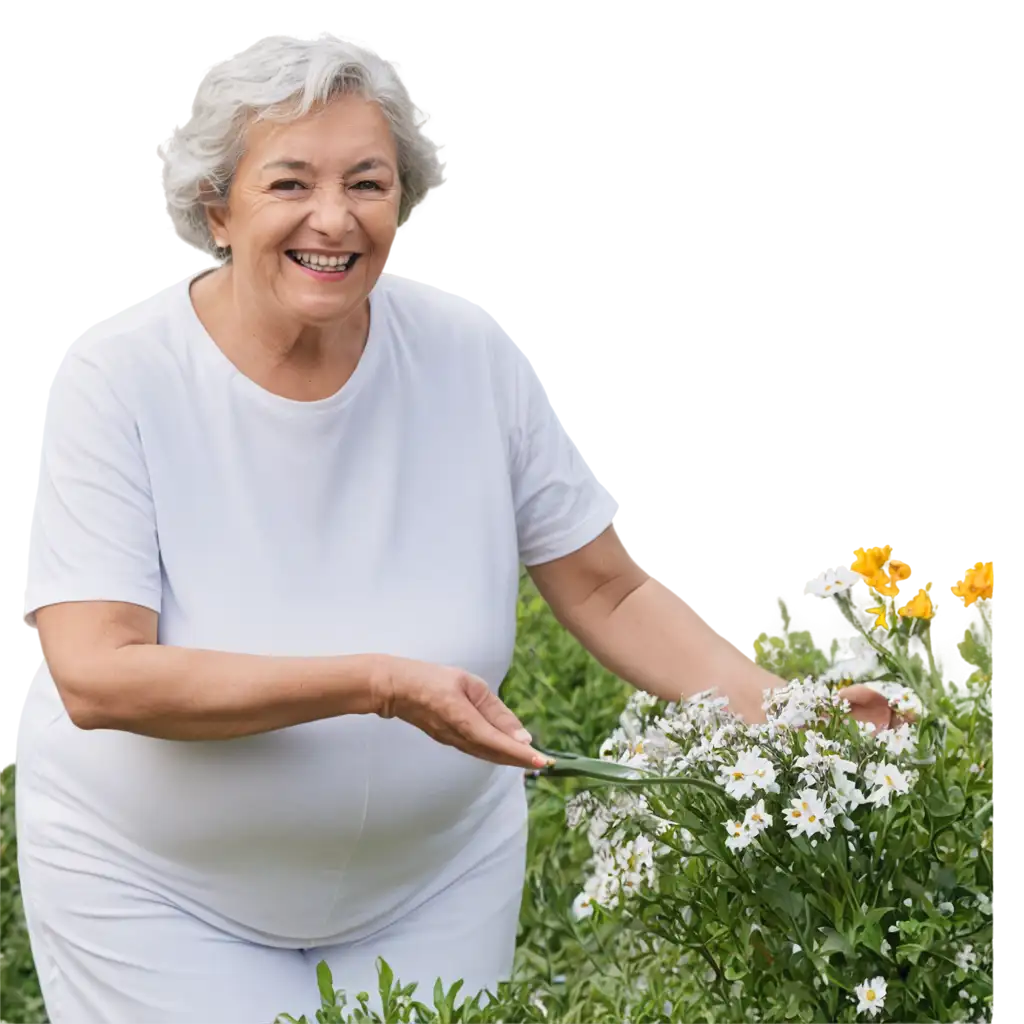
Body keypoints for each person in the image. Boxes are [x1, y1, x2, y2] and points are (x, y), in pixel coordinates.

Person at [14, 27, 898, 1024]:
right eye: (290, 184)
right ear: (217, 210)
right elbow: (98, 675)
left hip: (433, 887)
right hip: (155, 894)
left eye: (368, 183)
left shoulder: (466, 352)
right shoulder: (117, 377)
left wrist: (784, 712)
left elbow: (606, 585)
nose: (333, 218)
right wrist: (377, 685)